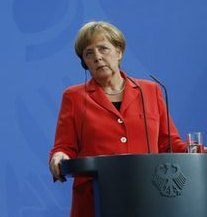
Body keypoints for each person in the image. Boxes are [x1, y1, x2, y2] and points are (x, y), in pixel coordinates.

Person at [48, 21, 188, 217]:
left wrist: (198, 152)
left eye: (103, 49)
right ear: (84, 62)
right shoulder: (74, 97)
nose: (97, 57)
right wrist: (59, 156)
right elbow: (64, 146)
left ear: (119, 52)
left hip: (149, 196)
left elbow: (169, 144)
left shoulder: (150, 90)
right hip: (95, 199)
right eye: (89, 53)